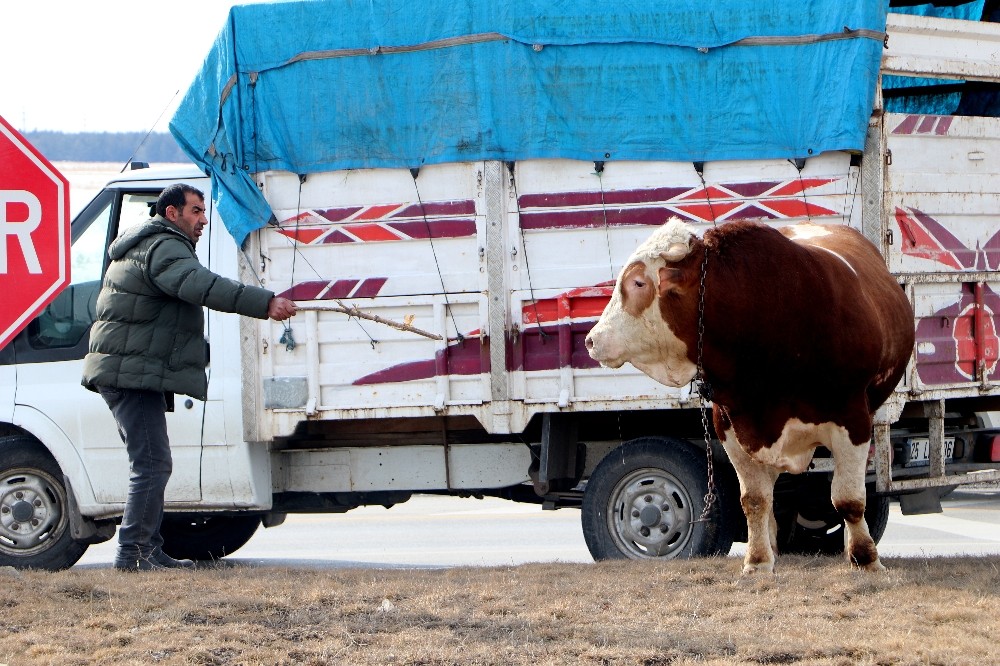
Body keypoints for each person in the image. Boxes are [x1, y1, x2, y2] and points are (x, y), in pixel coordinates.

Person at [81, 183, 296, 572]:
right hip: (130, 374)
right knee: (152, 464)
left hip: (131, 371)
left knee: (153, 462)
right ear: (172, 213)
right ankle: (133, 554)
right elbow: (202, 286)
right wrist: (264, 302)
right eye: (196, 211)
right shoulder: (164, 247)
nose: (203, 220)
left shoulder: (147, 243)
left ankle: (148, 548)